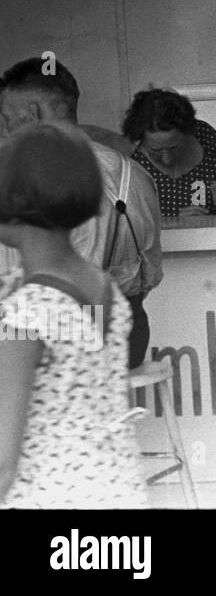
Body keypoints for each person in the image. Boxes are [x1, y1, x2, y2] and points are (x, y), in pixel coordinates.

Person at [0, 123, 147, 508]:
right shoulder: (102, 288)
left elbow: (2, 462)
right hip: (114, 492)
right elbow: (75, 338)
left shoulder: (23, 316)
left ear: (12, 205)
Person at [1, 59, 164, 368]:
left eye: (7, 118)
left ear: (32, 115)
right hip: (129, 340)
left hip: (66, 347)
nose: (5, 129)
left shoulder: (40, 179)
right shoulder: (137, 173)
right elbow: (150, 272)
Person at [122, 88, 216, 218]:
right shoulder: (130, 164)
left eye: (174, 147)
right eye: (155, 150)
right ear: (139, 140)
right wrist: (176, 225)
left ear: (187, 131)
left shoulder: (206, 137)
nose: (167, 159)